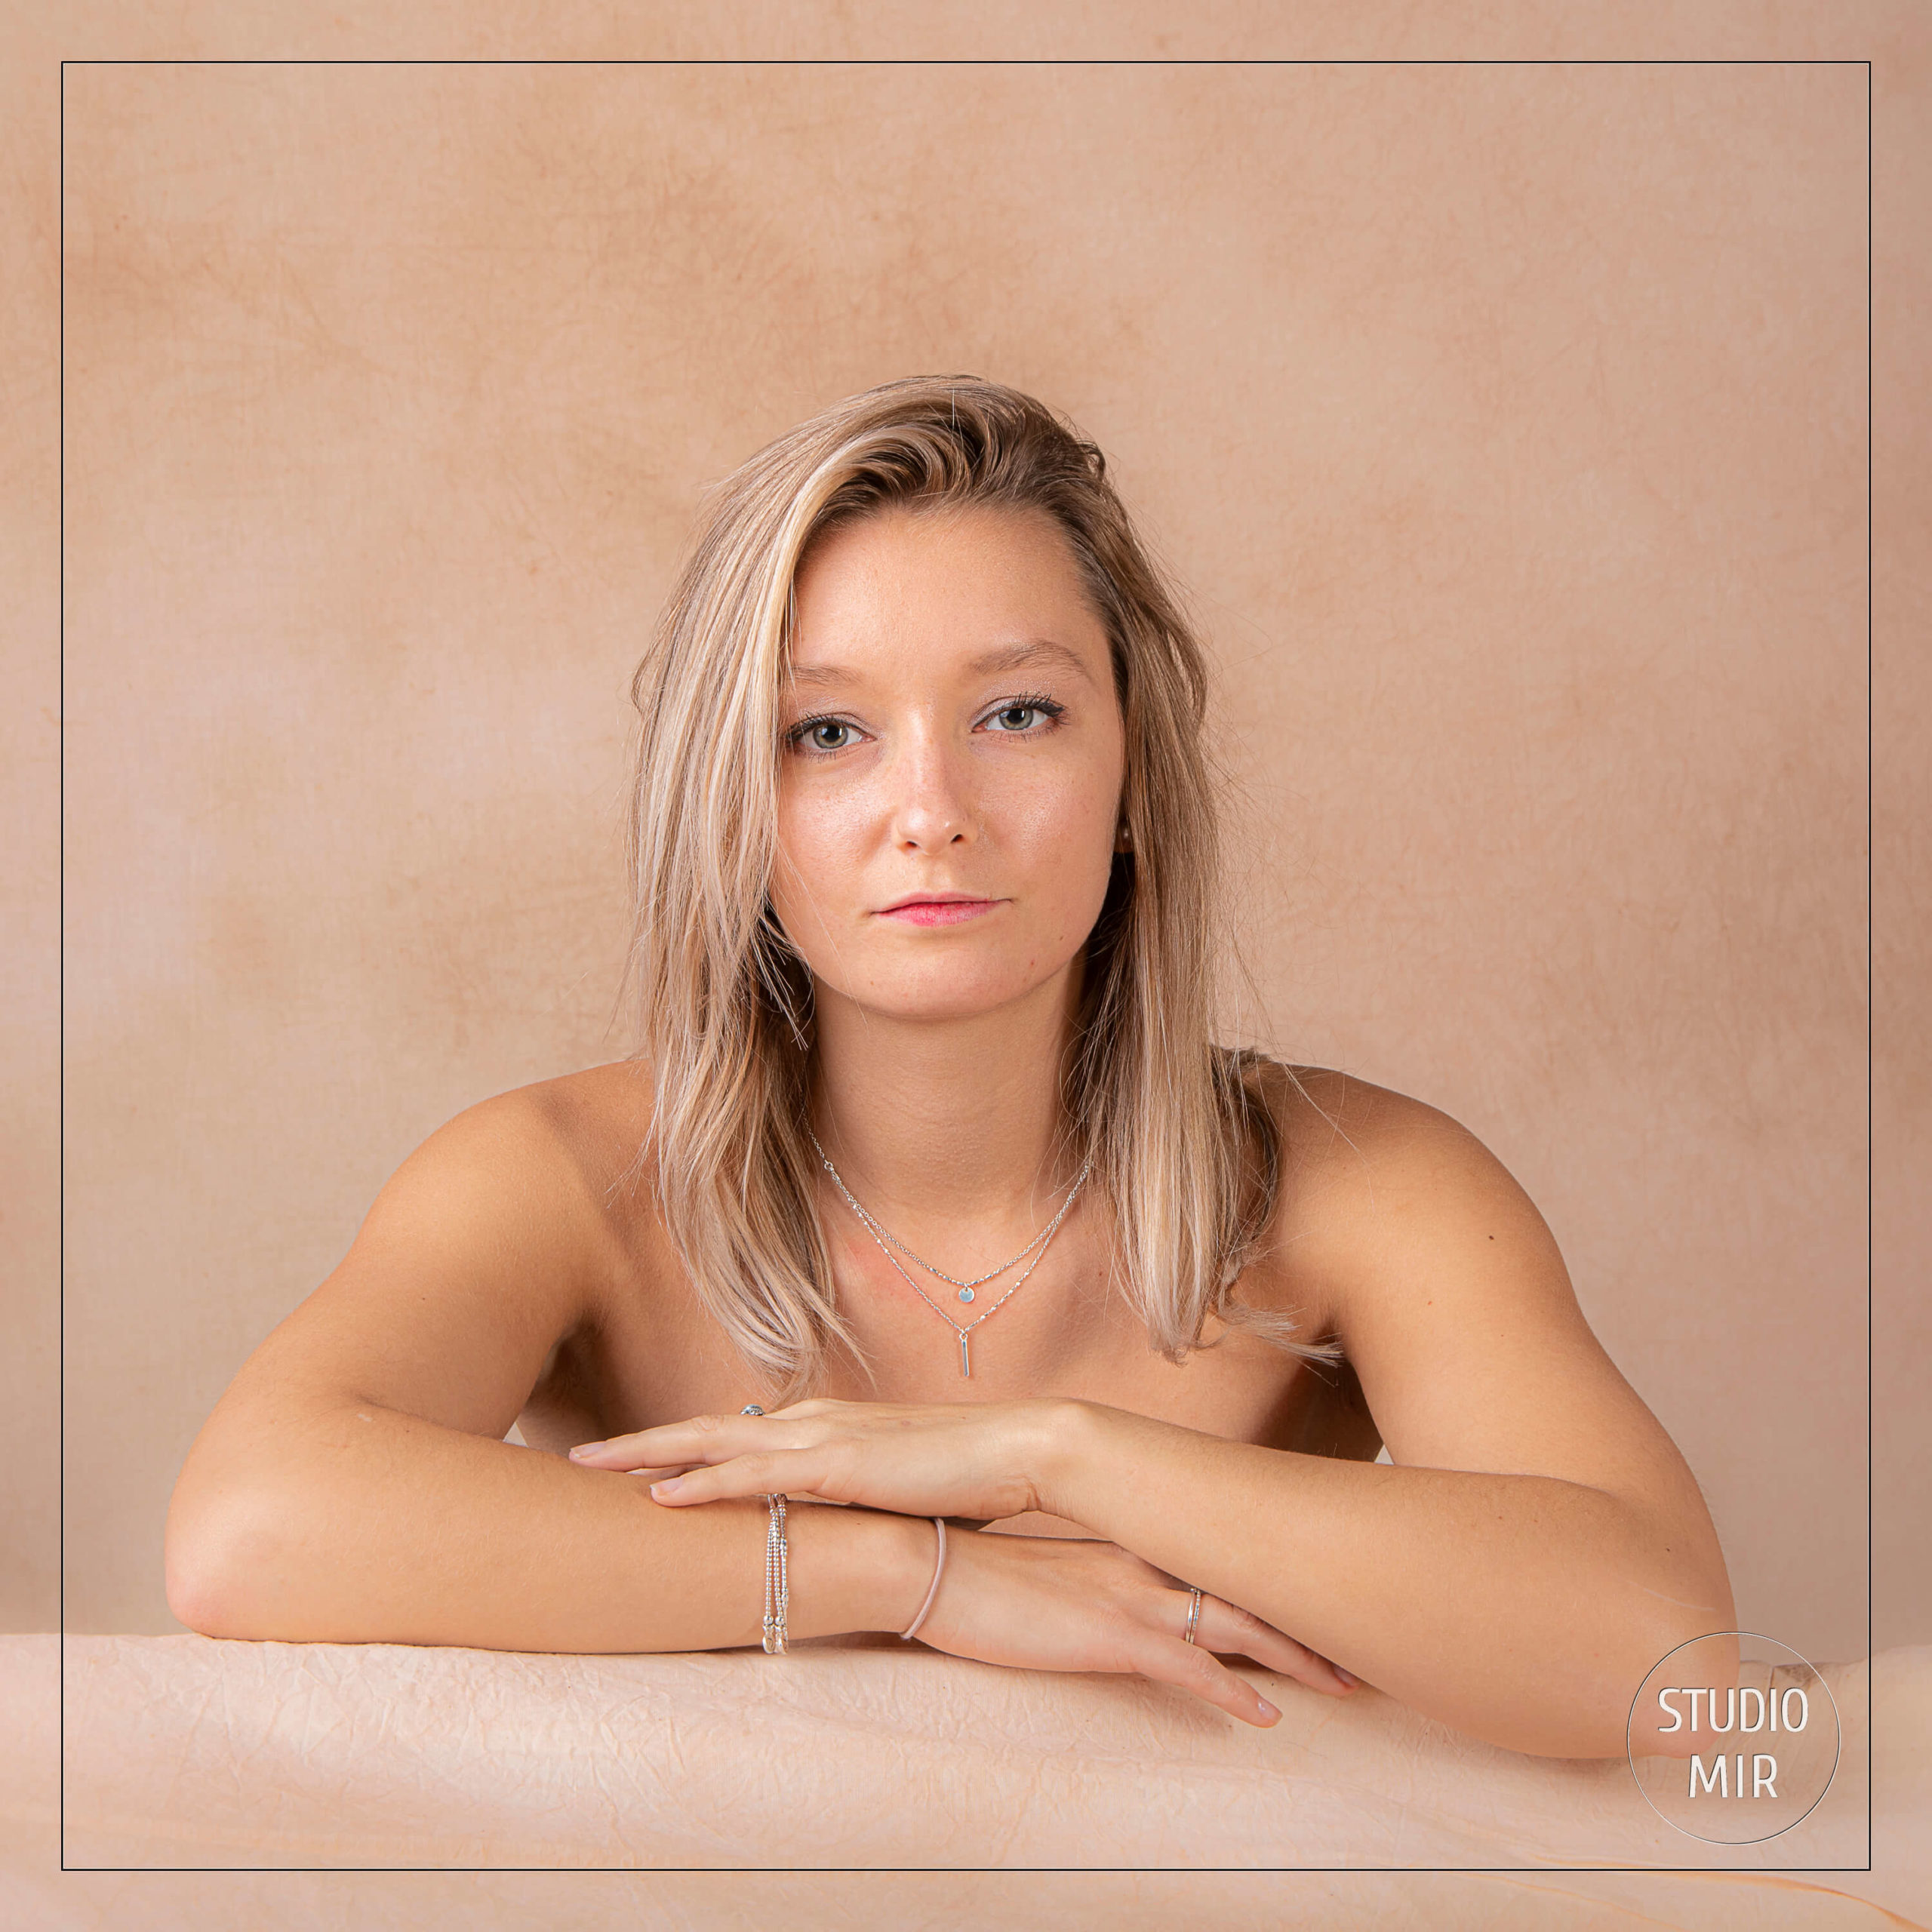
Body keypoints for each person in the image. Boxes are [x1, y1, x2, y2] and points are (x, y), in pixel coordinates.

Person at [165, 377, 1734, 1758]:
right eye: (825, 733)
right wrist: (920, 1570)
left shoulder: (1363, 1182)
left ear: (1131, 772)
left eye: (1017, 711)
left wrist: (1048, 1453)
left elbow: (1668, 1664)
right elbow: (249, 1528)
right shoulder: (561, 1175)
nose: (931, 807)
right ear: (734, 801)